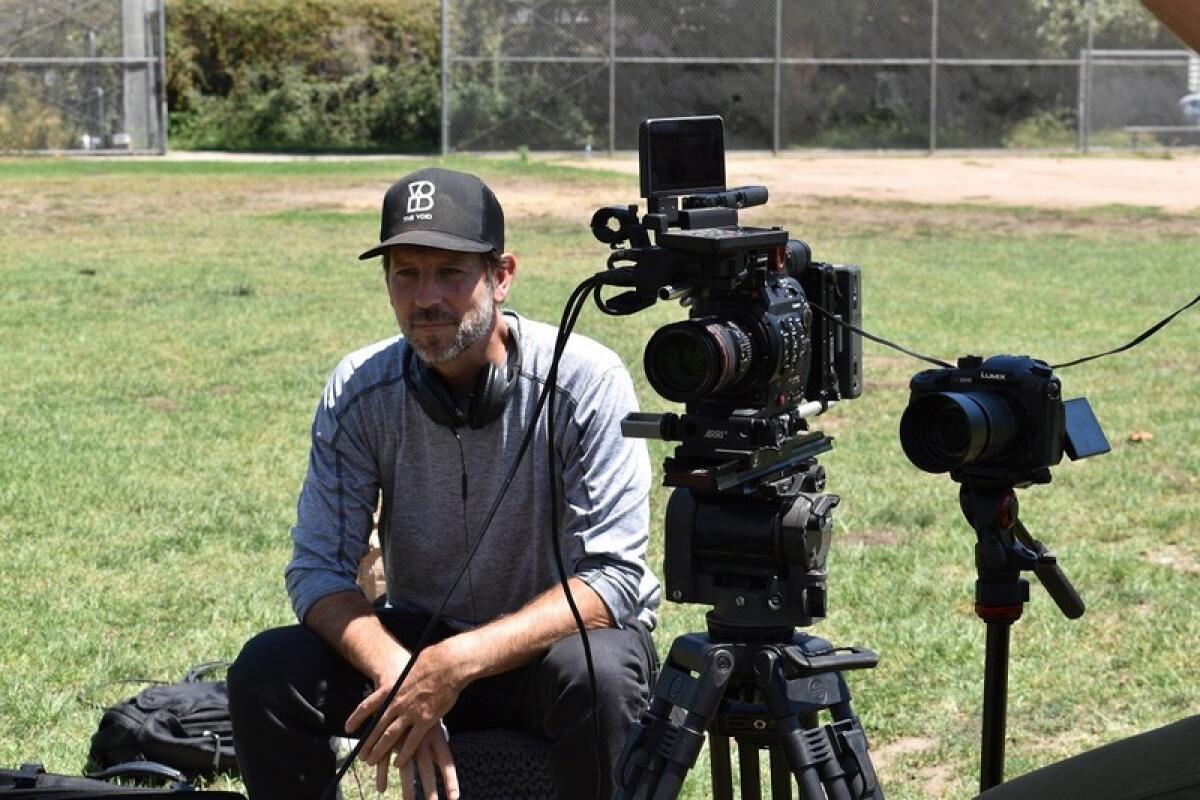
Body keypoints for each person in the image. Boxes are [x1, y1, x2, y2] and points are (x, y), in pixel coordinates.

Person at [227, 167, 661, 800]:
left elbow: (614, 580)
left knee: (602, 674)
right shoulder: (358, 388)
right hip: (417, 643)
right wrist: (400, 672)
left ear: (501, 275)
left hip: (548, 654)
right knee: (267, 671)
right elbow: (317, 571)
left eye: (449, 272)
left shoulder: (586, 381)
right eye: (405, 272)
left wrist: (453, 667)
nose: (425, 296)